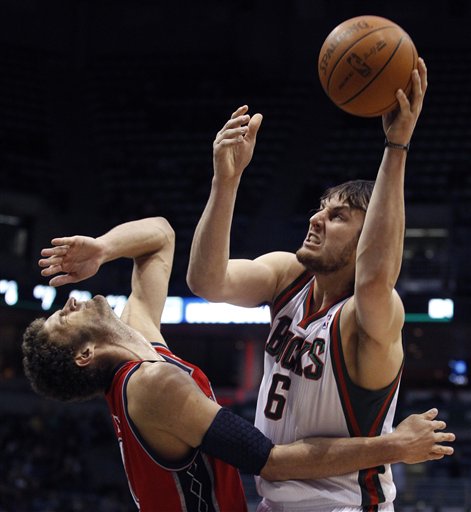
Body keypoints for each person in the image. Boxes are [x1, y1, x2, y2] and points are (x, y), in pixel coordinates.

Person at [21, 214, 453, 512]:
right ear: (84, 354)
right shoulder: (153, 386)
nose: (71, 300)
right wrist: (393, 446)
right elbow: (270, 460)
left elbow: (160, 236)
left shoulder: (139, 345)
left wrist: (103, 247)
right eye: (64, 317)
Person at [187, 58, 433, 511]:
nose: (316, 218)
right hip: (274, 499)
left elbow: (377, 274)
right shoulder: (288, 276)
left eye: (338, 216)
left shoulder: (368, 317)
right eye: (320, 207)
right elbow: (207, 280)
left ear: (367, 237)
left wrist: (396, 145)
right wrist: (227, 180)